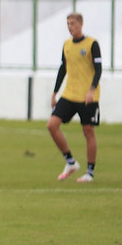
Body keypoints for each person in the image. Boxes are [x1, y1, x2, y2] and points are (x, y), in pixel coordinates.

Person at [46, 13, 101, 183]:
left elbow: (98, 69)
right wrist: (55, 92)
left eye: (73, 23)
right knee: (52, 125)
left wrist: (91, 90)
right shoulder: (67, 44)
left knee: (88, 131)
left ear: (81, 24)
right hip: (69, 94)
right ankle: (70, 162)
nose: (70, 26)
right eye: (68, 23)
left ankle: (90, 173)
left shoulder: (92, 43)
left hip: (87, 96)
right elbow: (63, 69)